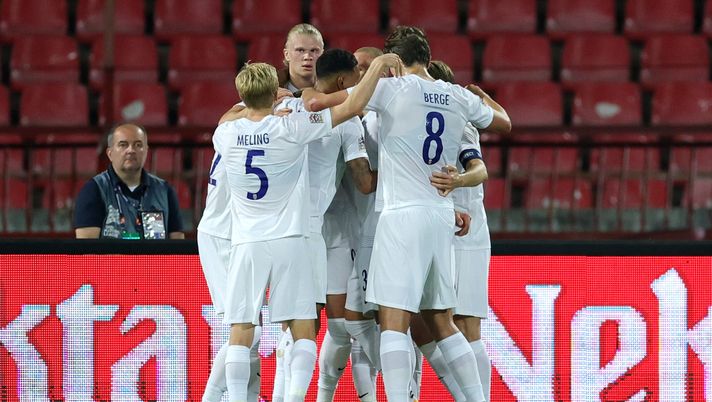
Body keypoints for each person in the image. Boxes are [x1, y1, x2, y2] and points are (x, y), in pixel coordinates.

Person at [217, 57, 402, 402]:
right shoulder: (291, 127)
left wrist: (259, 111)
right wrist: (377, 67)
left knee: (241, 330)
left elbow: (232, 115)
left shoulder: (225, 133)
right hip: (292, 238)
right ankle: (298, 397)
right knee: (303, 329)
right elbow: (355, 105)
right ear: (275, 92)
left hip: (246, 242)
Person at [355, 27, 510, 402]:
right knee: (442, 319)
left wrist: (376, 69)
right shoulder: (456, 95)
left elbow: (345, 104)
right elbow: (503, 124)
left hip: (401, 215)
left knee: (394, 320)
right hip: (441, 213)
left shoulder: (392, 89)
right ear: (426, 56)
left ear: (394, 58)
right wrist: (481, 96)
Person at [427, 59, 493, 401]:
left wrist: (456, 184)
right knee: (428, 324)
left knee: (467, 326)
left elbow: (479, 170)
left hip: (467, 234)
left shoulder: (461, 125)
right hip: (440, 229)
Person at [74, 123, 184, 239]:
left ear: (146, 151)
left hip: (155, 258)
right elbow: (86, 249)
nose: (131, 150)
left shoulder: (165, 191)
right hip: (112, 258)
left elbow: (178, 246)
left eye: (138, 145)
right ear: (110, 153)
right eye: (123, 145)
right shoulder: (94, 190)